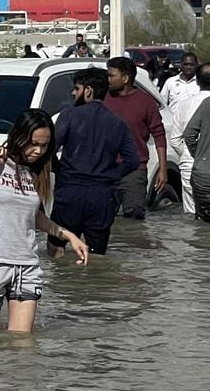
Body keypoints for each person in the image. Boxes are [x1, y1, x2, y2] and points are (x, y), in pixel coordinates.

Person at [0, 109, 88, 333]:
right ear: (19, 136)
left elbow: (32, 217)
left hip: (26, 267)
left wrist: (68, 235)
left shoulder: (34, 171)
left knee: (22, 344)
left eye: (44, 146)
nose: (38, 151)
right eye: (33, 143)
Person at [46, 68, 139, 259]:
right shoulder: (118, 123)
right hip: (102, 196)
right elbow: (132, 160)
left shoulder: (69, 116)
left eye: (76, 88)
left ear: (88, 91)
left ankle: (61, 287)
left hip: (70, 191)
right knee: (96, 255)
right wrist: (111, 175)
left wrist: (58, 169)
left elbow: (48, 150)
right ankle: (91, 287)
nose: (73, 93)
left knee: (57, 247)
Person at [105, 56, 167, 219]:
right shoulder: (104, 99)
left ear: (125, 78)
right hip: (105, 169)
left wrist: (163, 169)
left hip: (134, 170)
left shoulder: (145, 102)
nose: (108, 79)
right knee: (102, 218)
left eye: (112, 76)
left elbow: (159, 135)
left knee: (134, 220)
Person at [170, 63, 210, 215]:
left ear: (197, 81)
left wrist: (191, 154)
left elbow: (176, 139)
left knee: (192, 219)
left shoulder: (184, 104)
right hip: (200, 165)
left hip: (191, 165)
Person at [182, 93, 210, 221]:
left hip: (203, 175)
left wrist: (199, 155)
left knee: (202, 228)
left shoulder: (207, 103)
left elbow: (189, 134)